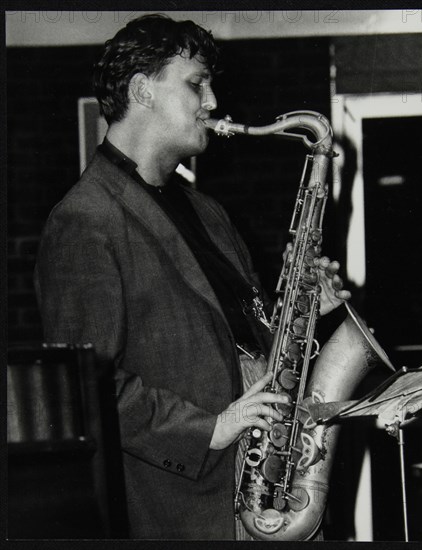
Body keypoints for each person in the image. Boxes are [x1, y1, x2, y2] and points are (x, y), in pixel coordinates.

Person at [34, 14, 351, 540]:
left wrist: (300, 316)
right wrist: (214, 428)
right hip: (185, 512)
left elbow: (243, 348)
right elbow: (88, 390)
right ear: (143, 91)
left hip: (263, 492)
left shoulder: (209, 213)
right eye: (196, 83)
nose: (211, 102)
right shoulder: (85, 221)